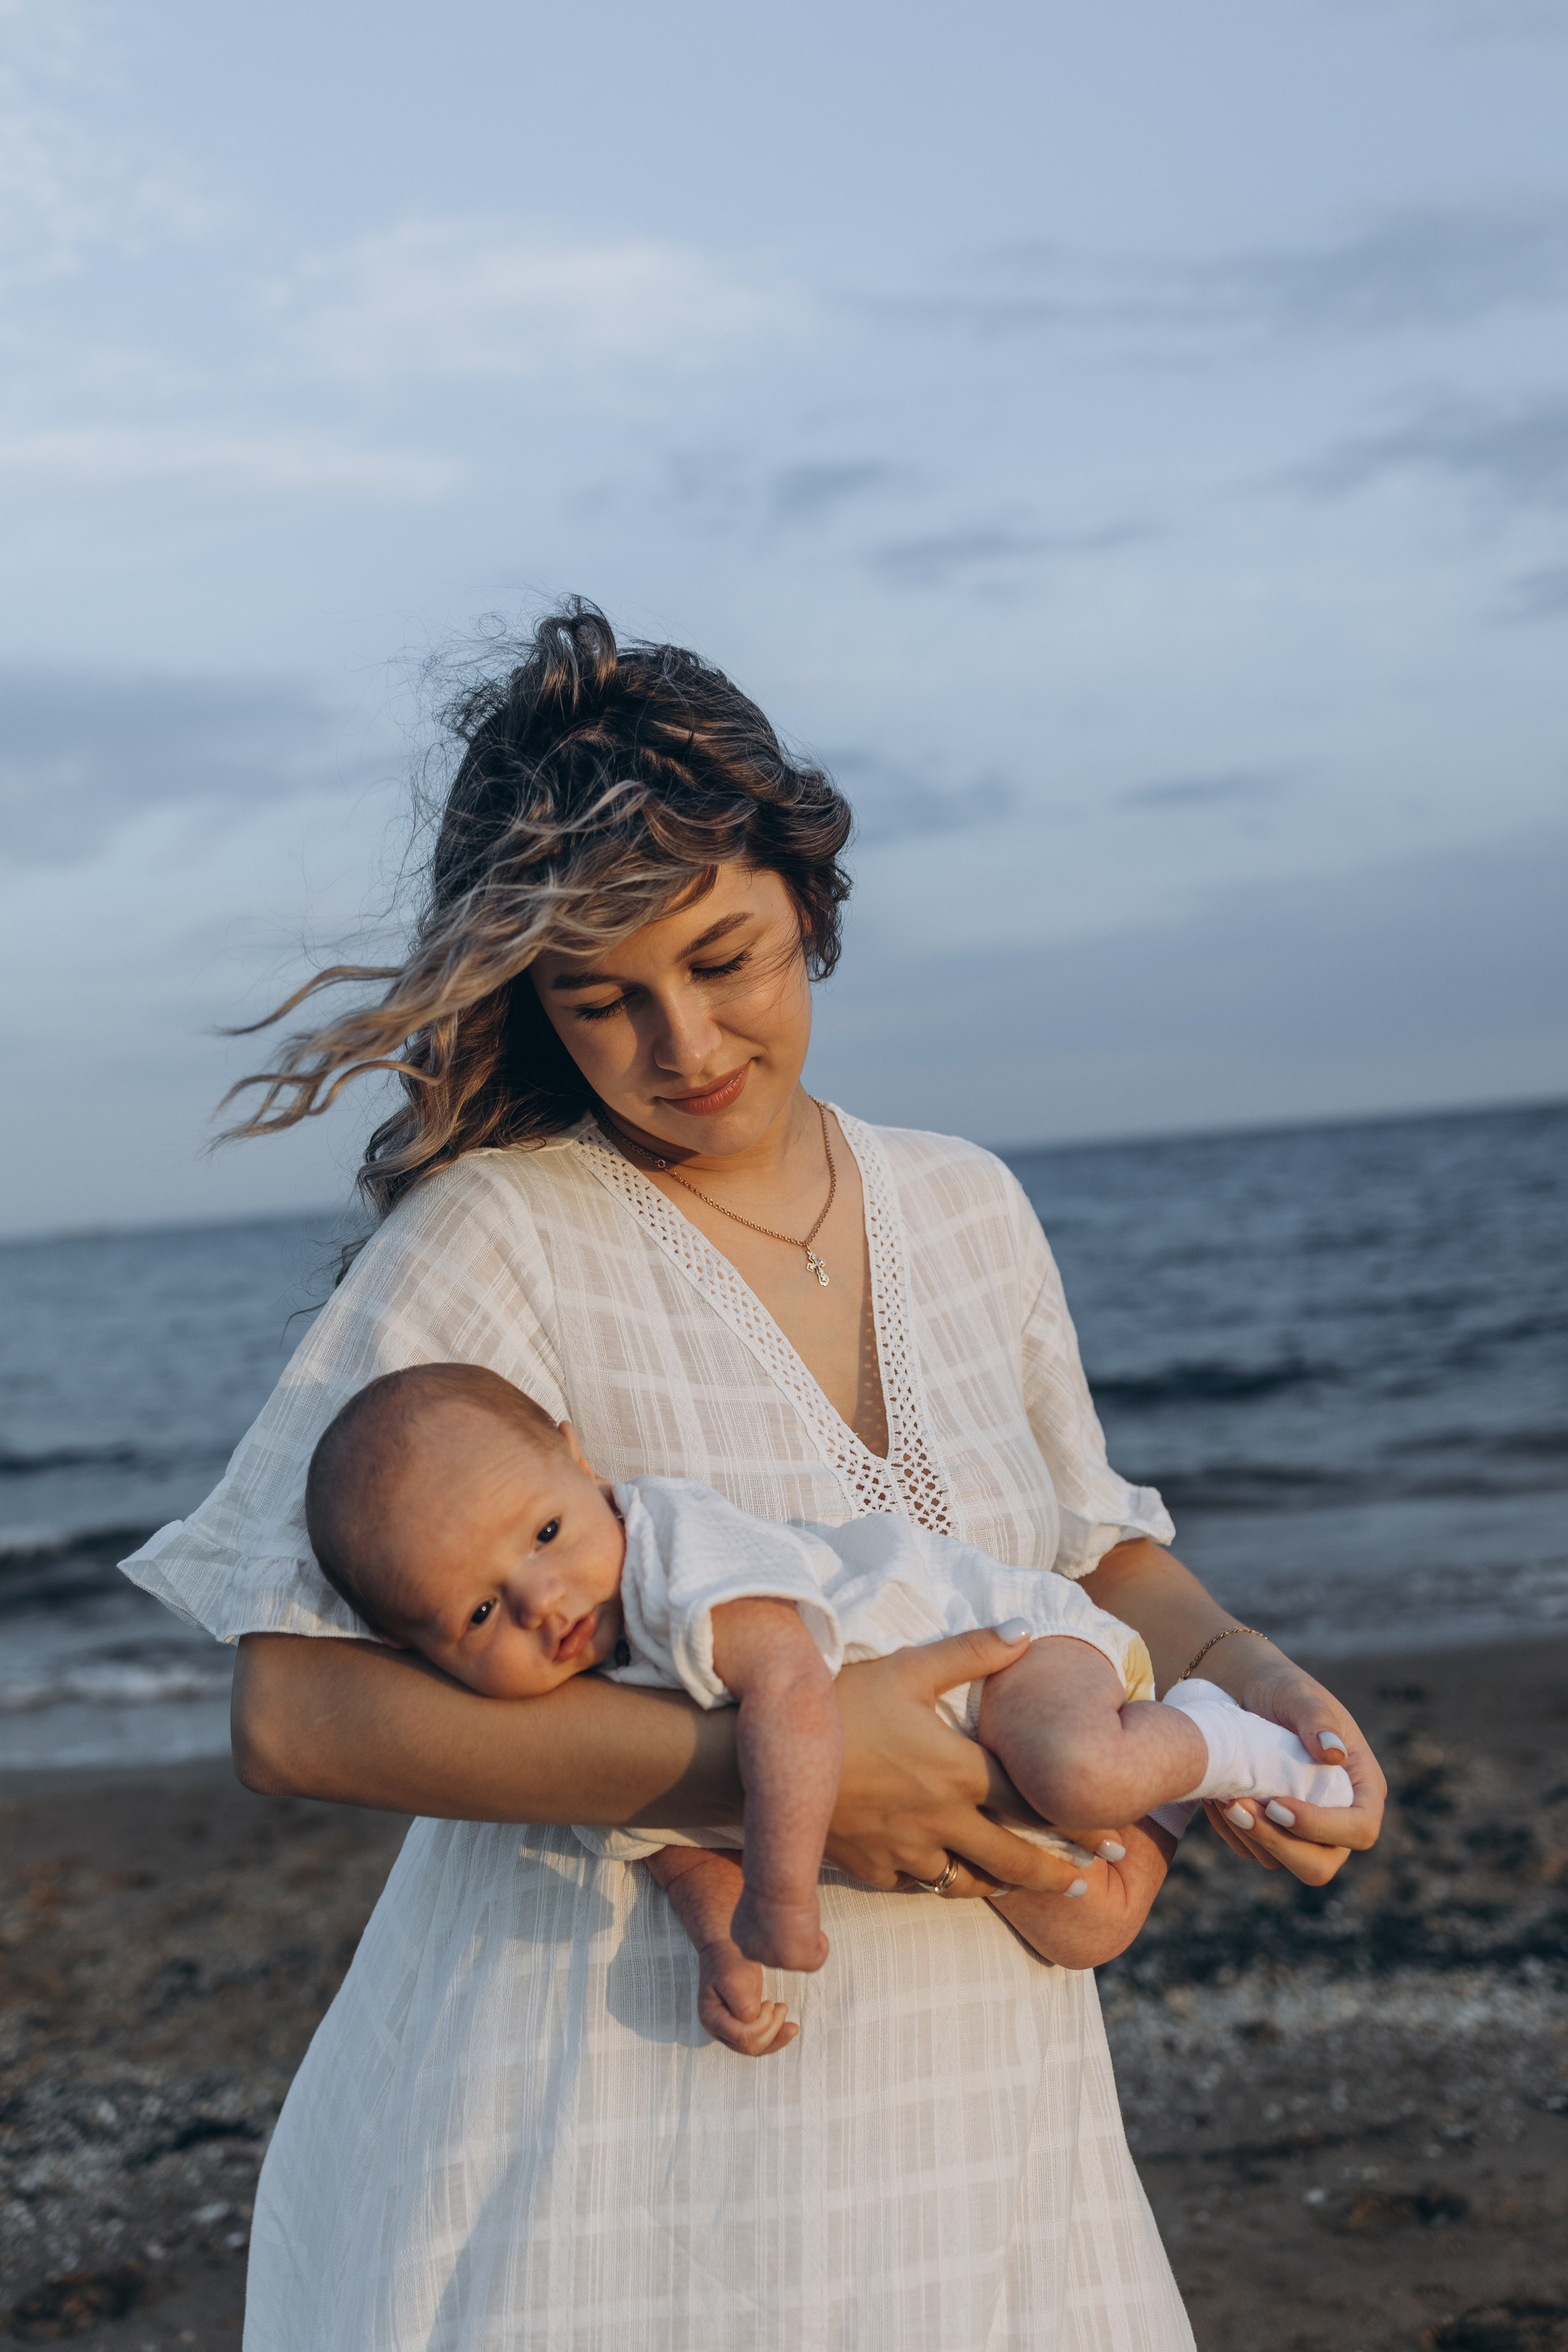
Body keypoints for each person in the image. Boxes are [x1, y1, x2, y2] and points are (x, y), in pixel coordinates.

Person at [123, 601, 1386, 2351]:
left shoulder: (968, 1203)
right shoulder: (495, 1233)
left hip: (978, 2112)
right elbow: (296, 1713)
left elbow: (1089, 1556)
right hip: (613, 2129)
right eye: (601, 998)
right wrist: (772, 1772)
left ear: (806, 893)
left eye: (726, 959)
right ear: (534, 1004)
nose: (686, 1045)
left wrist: (1260, 1686)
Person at [303, 1359, 1353, 2056]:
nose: (546, 1602)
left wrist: (784, 1898)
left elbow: (799, 1696)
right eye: (482, 1610)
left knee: (1078, 1772)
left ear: (581, 1465)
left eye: (544, 1534)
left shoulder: (676, 1559)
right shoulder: (572, 1726)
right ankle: (1169, 1790)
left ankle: (1216, 1735)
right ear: (422, 1655)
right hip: (956, 1756)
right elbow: (677, 1848)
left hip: (1002, 1652)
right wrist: (728, 1949)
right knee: (1090, 1929)